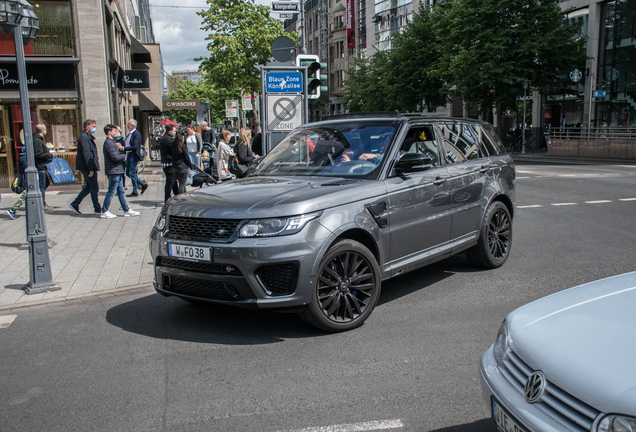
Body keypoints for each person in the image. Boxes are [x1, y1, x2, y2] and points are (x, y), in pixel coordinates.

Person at [100, 124, 140, 219]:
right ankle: (104, 211)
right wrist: (123, 157)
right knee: (111, 191)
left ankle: (126, 210)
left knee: (121, 191)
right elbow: (114, 157)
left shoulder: (112, 142)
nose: (116, 133)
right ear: (109, 132)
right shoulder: (109, 143)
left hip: (117, 170)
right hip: (114, 170)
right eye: (115, 131)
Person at [70, 119, 102, 215]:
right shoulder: (84, 137)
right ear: (87, 126)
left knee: (89, 187)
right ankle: (97, 208)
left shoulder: (88, 137)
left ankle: (75, 203)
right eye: (93, 126)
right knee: (94, 187)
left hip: (89, 166)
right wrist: (90, 168)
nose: (94, 128)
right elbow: (86, 154)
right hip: (87, 167)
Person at [124, 119, 148, 197]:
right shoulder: (130, 133)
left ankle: (135, 190)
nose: (127, 125)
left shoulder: (136, 134)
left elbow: (135, 146)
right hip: (129, 154)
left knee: (132, 173)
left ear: (132, 126)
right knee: (128, 173)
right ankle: (142, 184)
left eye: (128, 124)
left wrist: (124, 149)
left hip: (133, 155)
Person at [33, 124, 53, 210]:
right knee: (42, 186)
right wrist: (49, 155)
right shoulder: (37, 140)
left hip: (42, 166)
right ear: (43, 130)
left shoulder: (38, 139)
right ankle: (41, 204)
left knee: (45, 183)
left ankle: (42, 203)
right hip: (40, 166)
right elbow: (38, 154)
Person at [6, 146, 27, 219]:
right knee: (24, 197)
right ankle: (12, 210)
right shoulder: (25, 159)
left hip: (25, 180)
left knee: (26, 197)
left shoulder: (21, 158)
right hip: (26, 181)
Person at [160, 125, 179, 202]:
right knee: (170, 181)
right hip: (169, 163)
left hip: (166, 162)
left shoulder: (164, 137)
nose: (174, 132)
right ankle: (167, 198)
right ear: (170, 131)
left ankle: (177, 196)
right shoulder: (169, 140)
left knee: (173, 181)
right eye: (174, 131)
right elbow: (175, 150)